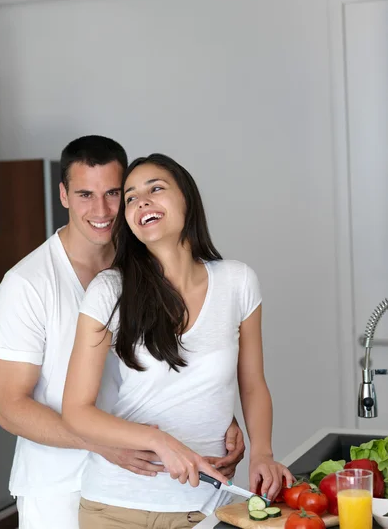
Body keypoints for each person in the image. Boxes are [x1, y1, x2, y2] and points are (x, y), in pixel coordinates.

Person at [0, 137, 245, 529]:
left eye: (113, 193)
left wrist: (215, 417)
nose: (102, 210)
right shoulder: (28, 283)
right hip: (58, 488)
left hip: (143, 487)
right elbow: (9, 405)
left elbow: (175, 363)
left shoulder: (145, 267)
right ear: (63, 195)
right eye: (85, 194)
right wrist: (100, 443)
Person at [62, 153, 295, 529]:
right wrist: (161, 443)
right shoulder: (109, 290)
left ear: (187, 198)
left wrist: (262, 453)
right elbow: (76, 411)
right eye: (132, 198)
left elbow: (252, 385)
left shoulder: (238, 282)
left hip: (205, 507)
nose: (142, 202)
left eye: (156, 189)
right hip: (114, 507)